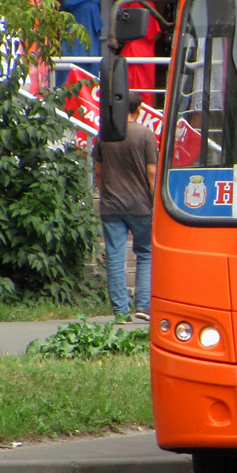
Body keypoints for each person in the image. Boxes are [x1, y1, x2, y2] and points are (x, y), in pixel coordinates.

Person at [93, 92, 158, 321]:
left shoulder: (105, 135)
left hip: (111, 206)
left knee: (115, 257)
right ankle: (143, 306)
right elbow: (151, 172)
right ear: (138, 109)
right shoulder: (146, 135)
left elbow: (98, 172)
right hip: (141, 205)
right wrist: (154, 200)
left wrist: (104, 194)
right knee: (146, 254)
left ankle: (121, 311)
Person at [120, 0, 162, 106]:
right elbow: (155, 32)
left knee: (126, 90)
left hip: (129, 51)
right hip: (146, 53)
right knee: (146, 91)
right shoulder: (149, 5)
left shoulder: (125, 5)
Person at [59, 0, 103, 83]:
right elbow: (99, 28)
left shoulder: (64, 6)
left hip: (67, 52)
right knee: (88, 88)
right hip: (89, 54)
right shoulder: (92, 7)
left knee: (68, 86)